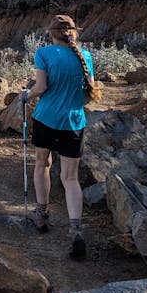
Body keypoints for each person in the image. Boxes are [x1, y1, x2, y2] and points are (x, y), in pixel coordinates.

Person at [20, 14, 96, 259]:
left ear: (51, 33)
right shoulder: (84, 57)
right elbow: (90, 90)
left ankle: (41, 215)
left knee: (42, 164)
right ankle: (75, 230)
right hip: (74, 122)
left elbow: (40, 88)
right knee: (70, 178)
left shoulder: (44, 53)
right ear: (74, 32)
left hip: (46, 118)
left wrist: (25, 96)